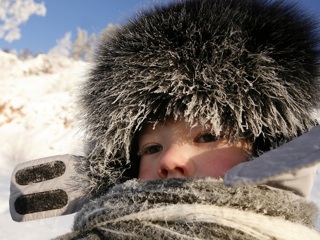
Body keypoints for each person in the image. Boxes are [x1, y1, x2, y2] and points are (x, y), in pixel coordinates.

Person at [9, 0, 320, 239]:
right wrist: (103, 188)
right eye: (151, 148)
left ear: (270, 147)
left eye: (206, 137)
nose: (169, 159)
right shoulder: (103, 225)